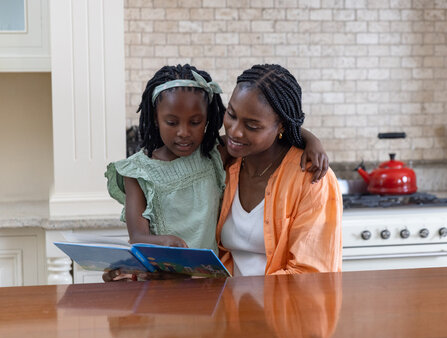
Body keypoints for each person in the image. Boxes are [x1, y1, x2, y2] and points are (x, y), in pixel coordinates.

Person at [103, 64, 329, 281]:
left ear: (207, 119)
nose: (183, 133)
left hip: (214, 290)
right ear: (155, 118)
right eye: (231, 115)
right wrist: (162, 245)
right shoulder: (139, 171)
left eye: (195, 122)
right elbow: (138, 237)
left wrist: (310, 140)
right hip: (168, 282)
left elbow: (278, 122)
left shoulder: (213, 155)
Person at [217, 64, 342, 276]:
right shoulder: (225, 165)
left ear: (281, 126)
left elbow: (311, 272)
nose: (235, 131)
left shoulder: (312, 178)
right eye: (231, 114)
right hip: (228, 306)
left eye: (252, 126)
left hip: (283, 308)